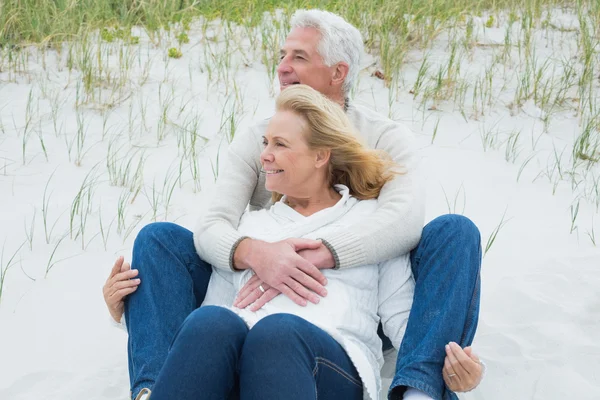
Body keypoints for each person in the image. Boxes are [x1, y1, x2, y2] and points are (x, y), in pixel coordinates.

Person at [102, 9, 483, 400]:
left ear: (338, 72)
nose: (282, 68)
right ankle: (153, 388)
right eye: (282, 56)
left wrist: (323, 252)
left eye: (298, 57)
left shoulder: (385, 139)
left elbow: (402, 225)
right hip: (259, 294)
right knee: (161, 244)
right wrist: (254, 255)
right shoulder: (257, 151)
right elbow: (215, 230)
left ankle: (424, 389)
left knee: (455, 232)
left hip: (345, 307)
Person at [150, 83, 414, 400]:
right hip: (244, 373)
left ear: (320, 156)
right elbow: (205, 328)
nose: (264, 155)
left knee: (277, 333)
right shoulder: (250, 227)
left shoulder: (371, 224)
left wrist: (446, 365)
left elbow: (402, 317)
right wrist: (129, 312)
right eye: (265, 142)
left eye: (280, 144)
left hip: (330, 369)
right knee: (211, 321)